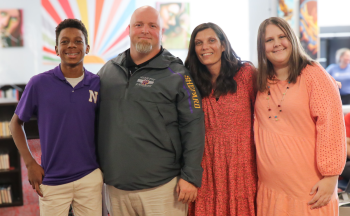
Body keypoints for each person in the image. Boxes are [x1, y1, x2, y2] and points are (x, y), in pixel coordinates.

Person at [96, 6, 205, 216]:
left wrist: (191, 176)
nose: (145, 30)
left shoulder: (178, 74)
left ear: (161, 32)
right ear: (128, 30)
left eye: (152, 26)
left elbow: (194, 126)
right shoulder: (107, 71)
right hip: (117, 189)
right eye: (139, 25)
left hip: (163, 189)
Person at [9, 19, 102, 216]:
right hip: (53, 178)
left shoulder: (97, 84)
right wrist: (30, 163)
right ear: (56, 49)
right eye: (64, 41)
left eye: (78, 41)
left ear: (87, 48)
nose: (71, 45)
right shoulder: (39, 84)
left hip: (90, 176)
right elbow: (15, 124)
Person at [254, 17, 346, 216]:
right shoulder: (261, 80)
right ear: (262, 47)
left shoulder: (314, 75)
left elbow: (332, 126)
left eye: (282, 36)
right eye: (269, 40)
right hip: (270, 189)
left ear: (293, 39)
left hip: (308, 190)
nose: (277, 43)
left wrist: (331, 177)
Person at [185, 23, 257, 216]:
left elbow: (272, 97)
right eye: (198, 43)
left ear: (223, 45)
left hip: (241, 167)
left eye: (211, 41)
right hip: (206, 167)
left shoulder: (245, 74)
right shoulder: (190, 81)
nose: (204, 47)